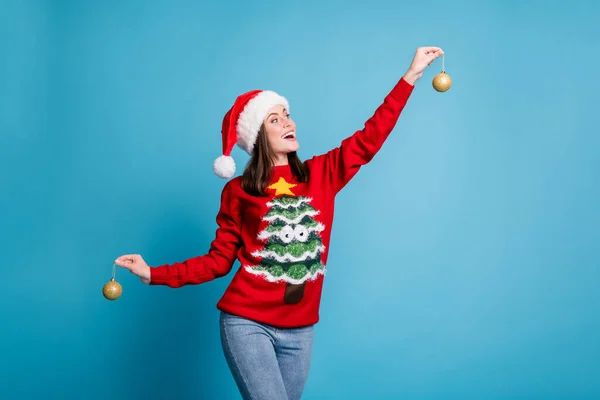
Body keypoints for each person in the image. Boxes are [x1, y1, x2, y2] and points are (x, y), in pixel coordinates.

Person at [115, 46, 444, 400]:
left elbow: (369, 138)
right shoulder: (238, 191)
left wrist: (410, 77)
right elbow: (218, 262)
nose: (288, 121)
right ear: (257, 137)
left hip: (301, 329)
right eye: (274, 119)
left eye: (286, 113)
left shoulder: (323, 173)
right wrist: (154, 273)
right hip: (247, 323)